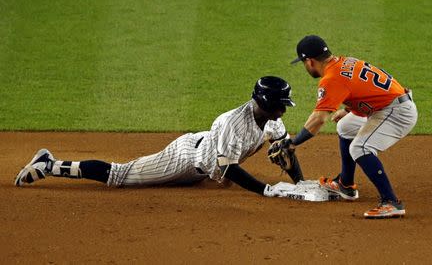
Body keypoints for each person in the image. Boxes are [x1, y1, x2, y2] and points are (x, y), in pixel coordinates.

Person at [15, 76, 303, 197]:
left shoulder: (270, 121)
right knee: (120, 176)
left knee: (221, 171)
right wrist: (264, 190)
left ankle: (50, 164)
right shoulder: (232, 123)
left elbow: (284, 150)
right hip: (184, 159)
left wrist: (300, 183)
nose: (284, 110)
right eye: (281, 104)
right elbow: (228, 168)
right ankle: (49, 164)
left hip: (204, 164)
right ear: (265, 101)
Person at [286, 35, 417, 218]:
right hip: (388, 105)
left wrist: (293, 142)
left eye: (304, 63)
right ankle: (345, 185)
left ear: (310, 61)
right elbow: (366, 89)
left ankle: (391, 202)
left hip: (397, 113)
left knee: (360, 147)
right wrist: (349, 110)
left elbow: (319, 119)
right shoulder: (344, 62)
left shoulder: (331, 78)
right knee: (346, 126)